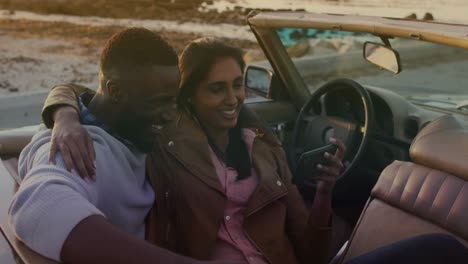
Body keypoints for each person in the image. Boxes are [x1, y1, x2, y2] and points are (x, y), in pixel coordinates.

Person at [40, 37, 346, 264]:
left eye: (238, 85)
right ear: (187, 95)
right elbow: (93, 93)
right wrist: (64, 116)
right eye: (217, 88)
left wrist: (324, 192)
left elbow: (311, 252)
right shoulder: (162, 136)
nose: (233, 98)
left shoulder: (264, 144)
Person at [8, 28, 230, 264]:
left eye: (172, 100)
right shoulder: (81, 150)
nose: (169, 114)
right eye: (159, 102)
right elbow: (41, 206)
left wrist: (64, 112)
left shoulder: (129, 128)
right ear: (115, 91)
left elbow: (71, 88)